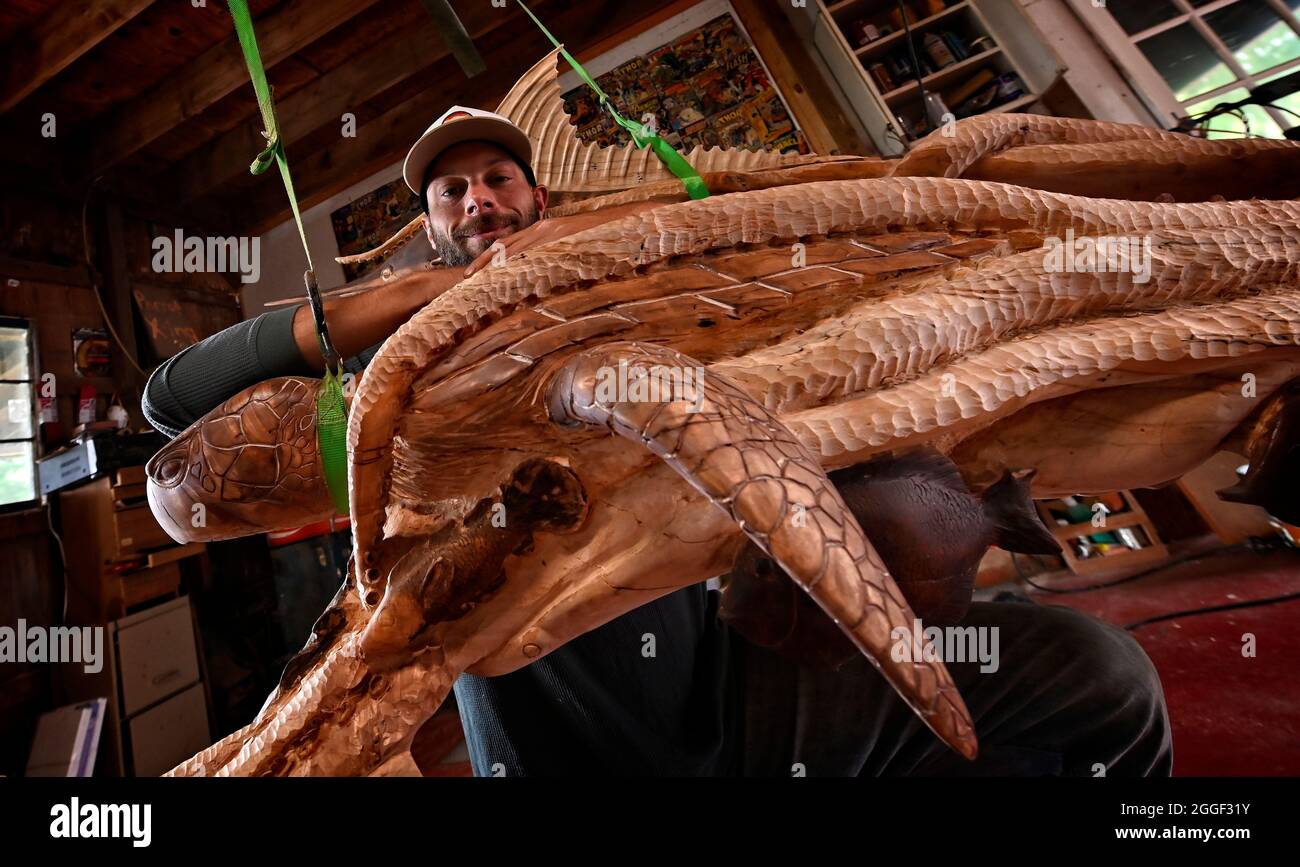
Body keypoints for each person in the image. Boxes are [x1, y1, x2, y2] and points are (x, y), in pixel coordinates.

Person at [142, 105, 1173, 777]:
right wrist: (423, 299)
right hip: (570, 737)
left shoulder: (661, 298)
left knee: (1099, 679)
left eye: (498, 179)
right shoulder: (391, 387)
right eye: (452, 195)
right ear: (430, 230)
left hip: (753, 662)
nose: (479, 201)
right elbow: (166, 402)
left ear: (540, 200)